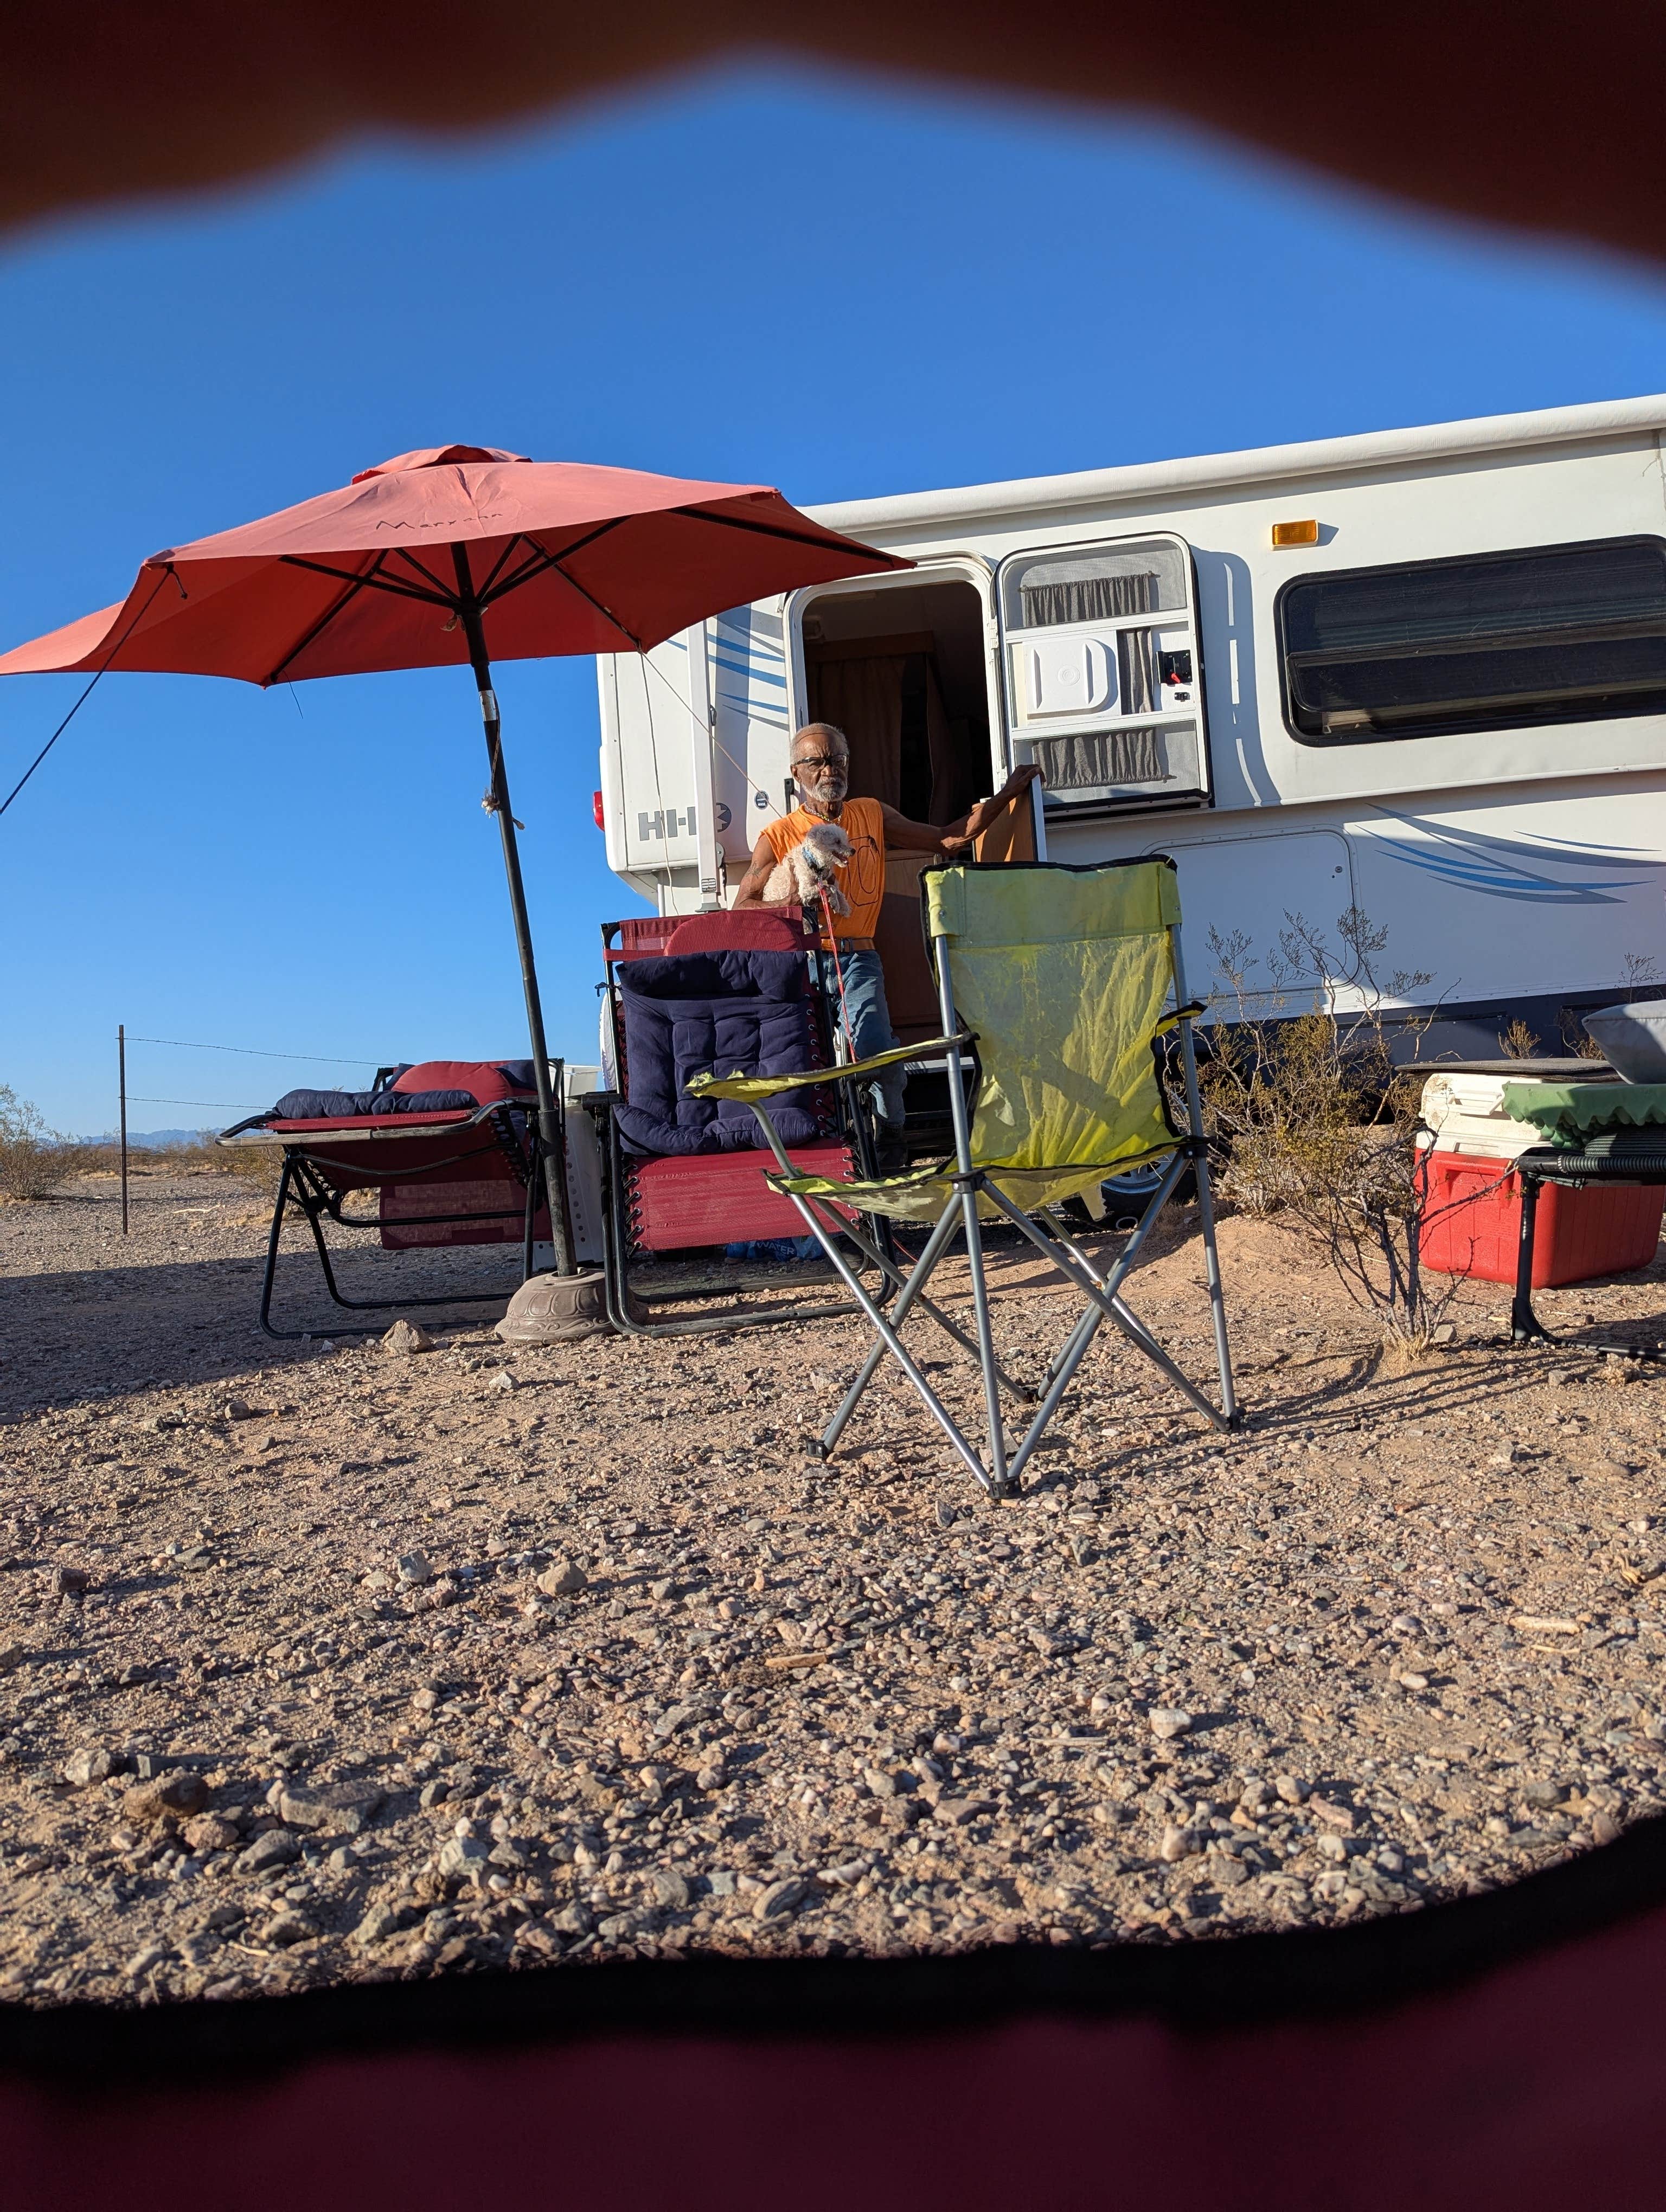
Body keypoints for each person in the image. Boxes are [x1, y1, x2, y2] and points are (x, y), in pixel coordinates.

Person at [733, 721, 1041, 1139]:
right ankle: (826, 1152)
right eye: (817, 762)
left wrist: (1006, 795)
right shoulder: (778, 834)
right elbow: (741, 907)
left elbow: (947, 840)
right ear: (797, 773)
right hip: (799, 966)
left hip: (857, 959)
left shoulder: (871, 812)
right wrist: (788, 904)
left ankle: (889, 1142)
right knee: (801, 1066)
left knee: (878, 1052)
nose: (830, 771)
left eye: (838, 759)